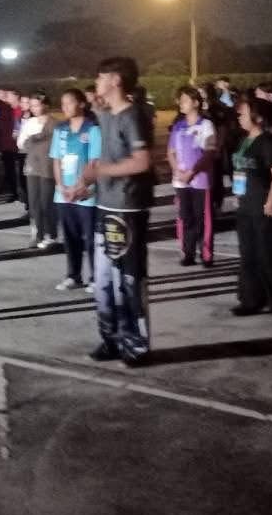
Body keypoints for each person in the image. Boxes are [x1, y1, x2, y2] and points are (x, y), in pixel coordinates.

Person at [84, 57, 155, 365]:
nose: (96, 82)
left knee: (128, 279)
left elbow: (142, 162)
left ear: (115, 80)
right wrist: (87, 183)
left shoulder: (133, 116)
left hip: (128, 208)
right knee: (102, 280)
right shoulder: (107, 114)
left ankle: (135, 345)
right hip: (105, 205)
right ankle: (110, 339)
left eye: (101, 77)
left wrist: (103, 171)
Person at [229, 98, 272, 324]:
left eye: (243, 113)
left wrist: (271, 202)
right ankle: (251, 300)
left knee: (270, 257)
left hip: (263, 207)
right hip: (245, 207)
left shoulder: (267, 141)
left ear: (257, 117)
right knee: (248, 255)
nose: (239, 117)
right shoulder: (243, 141)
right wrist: (238, 194)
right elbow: (239, 170)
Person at [50, 88, 101, 291]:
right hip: (63, 193)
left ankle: (96, 277)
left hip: (86, 193)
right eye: (63, 103)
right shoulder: (60, 129)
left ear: (81, 104)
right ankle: (73, 275)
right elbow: (56, 159)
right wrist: (61, 186)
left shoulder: (92, 129)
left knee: (90, 237)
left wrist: (80, 187)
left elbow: (94, 161)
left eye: (69, 102)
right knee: (70, 237)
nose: (65, 107)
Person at [167, 86, 216, 267]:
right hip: (181, 181)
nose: (181, 103)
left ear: (196, 103)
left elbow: (209, 152)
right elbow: (170, 152)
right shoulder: (178, 126)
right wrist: (177, 171)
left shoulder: (206, 125)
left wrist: (192, 172)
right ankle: (188, 253)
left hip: (200, 180)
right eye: (180, 100)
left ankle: (206, 254)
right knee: (185, 217)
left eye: (185, 100)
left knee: (202, 218)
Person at [18, 92, 59, 250]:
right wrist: (34, 140)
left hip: (48, 166)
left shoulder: (54, 123)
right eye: (32, 105)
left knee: (46, 202)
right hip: (32, 166)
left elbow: (54, 143)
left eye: (37, 105)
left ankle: (51, 234)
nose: (34, 108)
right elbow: (21, 142)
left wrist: (35, 139)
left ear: (45, 105)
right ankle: (37, 234)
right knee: (34, 202)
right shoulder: (29, 123)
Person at [0, 89, 21, 202]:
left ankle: (15, 191)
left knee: (12, 168)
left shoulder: (7, 107)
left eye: (7, 95)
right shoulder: (1, 107)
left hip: (9, 143)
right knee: (11, 168)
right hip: (8, 142)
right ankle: (15, 191)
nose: (5, 97)